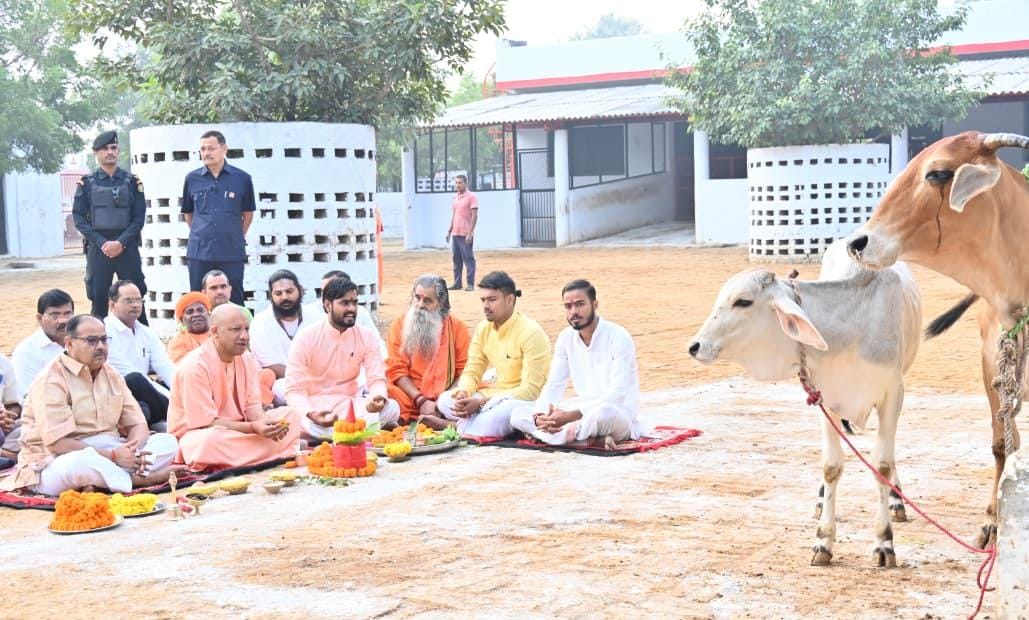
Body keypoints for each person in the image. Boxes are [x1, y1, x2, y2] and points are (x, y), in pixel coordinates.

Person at [0, 315, 178, 495]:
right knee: (81, 463)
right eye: (91, 341)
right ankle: (140, 479)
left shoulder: (111, 374)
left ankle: (106, 480)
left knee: (167, 442)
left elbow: (138, 423)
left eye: (104, 340)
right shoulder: (51, 380)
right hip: (55, 460)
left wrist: (132, 451)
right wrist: (113, 456)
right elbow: (57, 444)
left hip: (110, 448)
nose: (100, 346)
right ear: (69, 344)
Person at [168, 305, 302, 470]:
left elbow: (252, 407)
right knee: (206, 442)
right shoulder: (194, 366)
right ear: (215, 332)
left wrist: (267, 425)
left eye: (246, 329)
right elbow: (206, 424)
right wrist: (253, 428)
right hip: (202, 434)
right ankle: (278, 450)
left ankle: (255, 454)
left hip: (242, 430)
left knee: (291, 415)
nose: (244, 336)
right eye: (235, 329)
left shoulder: (247, 359)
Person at [510, 280, 642, 447]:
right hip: (578, 414)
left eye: (580, 304)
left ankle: (559, 437)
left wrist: (569, 416)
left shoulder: (618, 336)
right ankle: (586, 439)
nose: (574, 312)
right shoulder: (565, 338)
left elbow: (617, 394)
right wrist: (540, 416)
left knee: (604, 413)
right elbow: (554, 385)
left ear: (595, 304)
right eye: (568, 306)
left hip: (616, 414)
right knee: (517, 413)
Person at [437, 271, 551, 438]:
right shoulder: (483, 329)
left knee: (497, 418)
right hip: (494, 393)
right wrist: (464, 393)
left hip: (522, 400)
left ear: (510, 300)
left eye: (492, 300)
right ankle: (472, 423)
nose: (485, 306)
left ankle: (454, 425)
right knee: (445, 400)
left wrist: (481, 403)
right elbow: (472, 370)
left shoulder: (531, 333)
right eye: (483, 300)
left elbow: (531, 390)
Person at [286, 278, 400, 440]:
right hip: (319, 410)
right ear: (327, 305)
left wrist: (377, 398)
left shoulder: (366, 336)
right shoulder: (306, 338)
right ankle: (364, 431)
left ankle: (347, 433)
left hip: (353, 405)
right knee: (302, 421)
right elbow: (293, 390)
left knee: (392, 408)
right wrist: (311, 414)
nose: (352, 309)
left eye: (354, 303)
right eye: (344, 303)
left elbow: (376, 379)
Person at [72, 131, 148, 320]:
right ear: (96, 153)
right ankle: (97, 337)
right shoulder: (86, 183)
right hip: (99, 249)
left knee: (135, 299)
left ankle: (141, 337)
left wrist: (120, 243)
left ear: (118, 151)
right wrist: (103, 243)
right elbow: (79, 218)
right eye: (105, 149)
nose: (110, 152)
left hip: (127, 248)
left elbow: (139, 218)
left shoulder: (132, 182)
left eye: (114, 148)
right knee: (98, 301)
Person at [181, 130, 255, 307]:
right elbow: (188, 213)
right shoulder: (192, 179)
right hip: (199, 251)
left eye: (211, 148)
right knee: (198, 301)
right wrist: (202, 233)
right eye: (203, 149)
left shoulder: (242, 178)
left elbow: (247, 213)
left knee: (235, 300)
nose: (206, 153)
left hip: (231, 250)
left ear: (224, 149)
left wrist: (234, 235)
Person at [386, 275, 470, 429]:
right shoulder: (400, 324)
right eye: (417, 298)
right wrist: (421, 400)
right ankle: (444, 421)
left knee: (466, 398)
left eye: (428, 301)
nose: (420, 305)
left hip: (444, 395)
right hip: (409, 396)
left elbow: (464, 372)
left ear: (441, 303)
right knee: (384, 391)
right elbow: (396, 370)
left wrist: (439, 402)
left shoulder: (457, 328)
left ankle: (441, 420)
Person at [104, 280, 176, 429]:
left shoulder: (146, 332)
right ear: (112, 304)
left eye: (139, 300)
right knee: (135, 379)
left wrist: (184, 393)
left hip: (147, 395)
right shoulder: (104, 332)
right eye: (129, 301)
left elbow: (165, 367)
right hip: (116, 396)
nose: (136, 305)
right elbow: (130, 375)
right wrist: (174, 402)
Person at [250, 270, 310, 404]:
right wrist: (306, 377)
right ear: (270, 296)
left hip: (319, 377)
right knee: (281, 389)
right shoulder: (260, 323)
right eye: (278, 293)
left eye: (289, 291)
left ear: (300, 291)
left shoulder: (316, 317)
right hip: (285, 380)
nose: (284, 297)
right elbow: (270, 365)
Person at [302, 269, 386, 359]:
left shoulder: (360, 313)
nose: (325, 294)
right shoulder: (308, 312)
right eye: (323, 291)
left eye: (330, 289)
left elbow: (377, 344)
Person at [12, 289, 74, 400]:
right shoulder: (26, 352)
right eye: (54, 315)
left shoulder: (83, 342)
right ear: (39, 319)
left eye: (67, 314)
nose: (63, 321)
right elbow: (27, 397)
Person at [445, 174, 477, 292]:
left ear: (465, 183)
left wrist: (470, 232)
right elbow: (454, 215)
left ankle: (470, 284)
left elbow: (474, 215)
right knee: (456, 259)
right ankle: (457, 283)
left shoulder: (471, 197)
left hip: (465, 234)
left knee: (468, 258)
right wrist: (449, 231)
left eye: (460, 183)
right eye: (456, 183)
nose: (457, 185)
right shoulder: (455, 198)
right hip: (456, 233)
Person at [167, 292, 212, 364]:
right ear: (182, 320)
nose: (196, 314)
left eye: (200, 310)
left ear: (209, 314)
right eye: (190, 312)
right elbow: (184, 367)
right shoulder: (177, 343)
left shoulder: (220, 335)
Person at [0, 353, 23, 463]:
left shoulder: (2, 362)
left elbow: (13, 405)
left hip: (2, 430)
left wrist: (6, 418)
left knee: (36, 427)